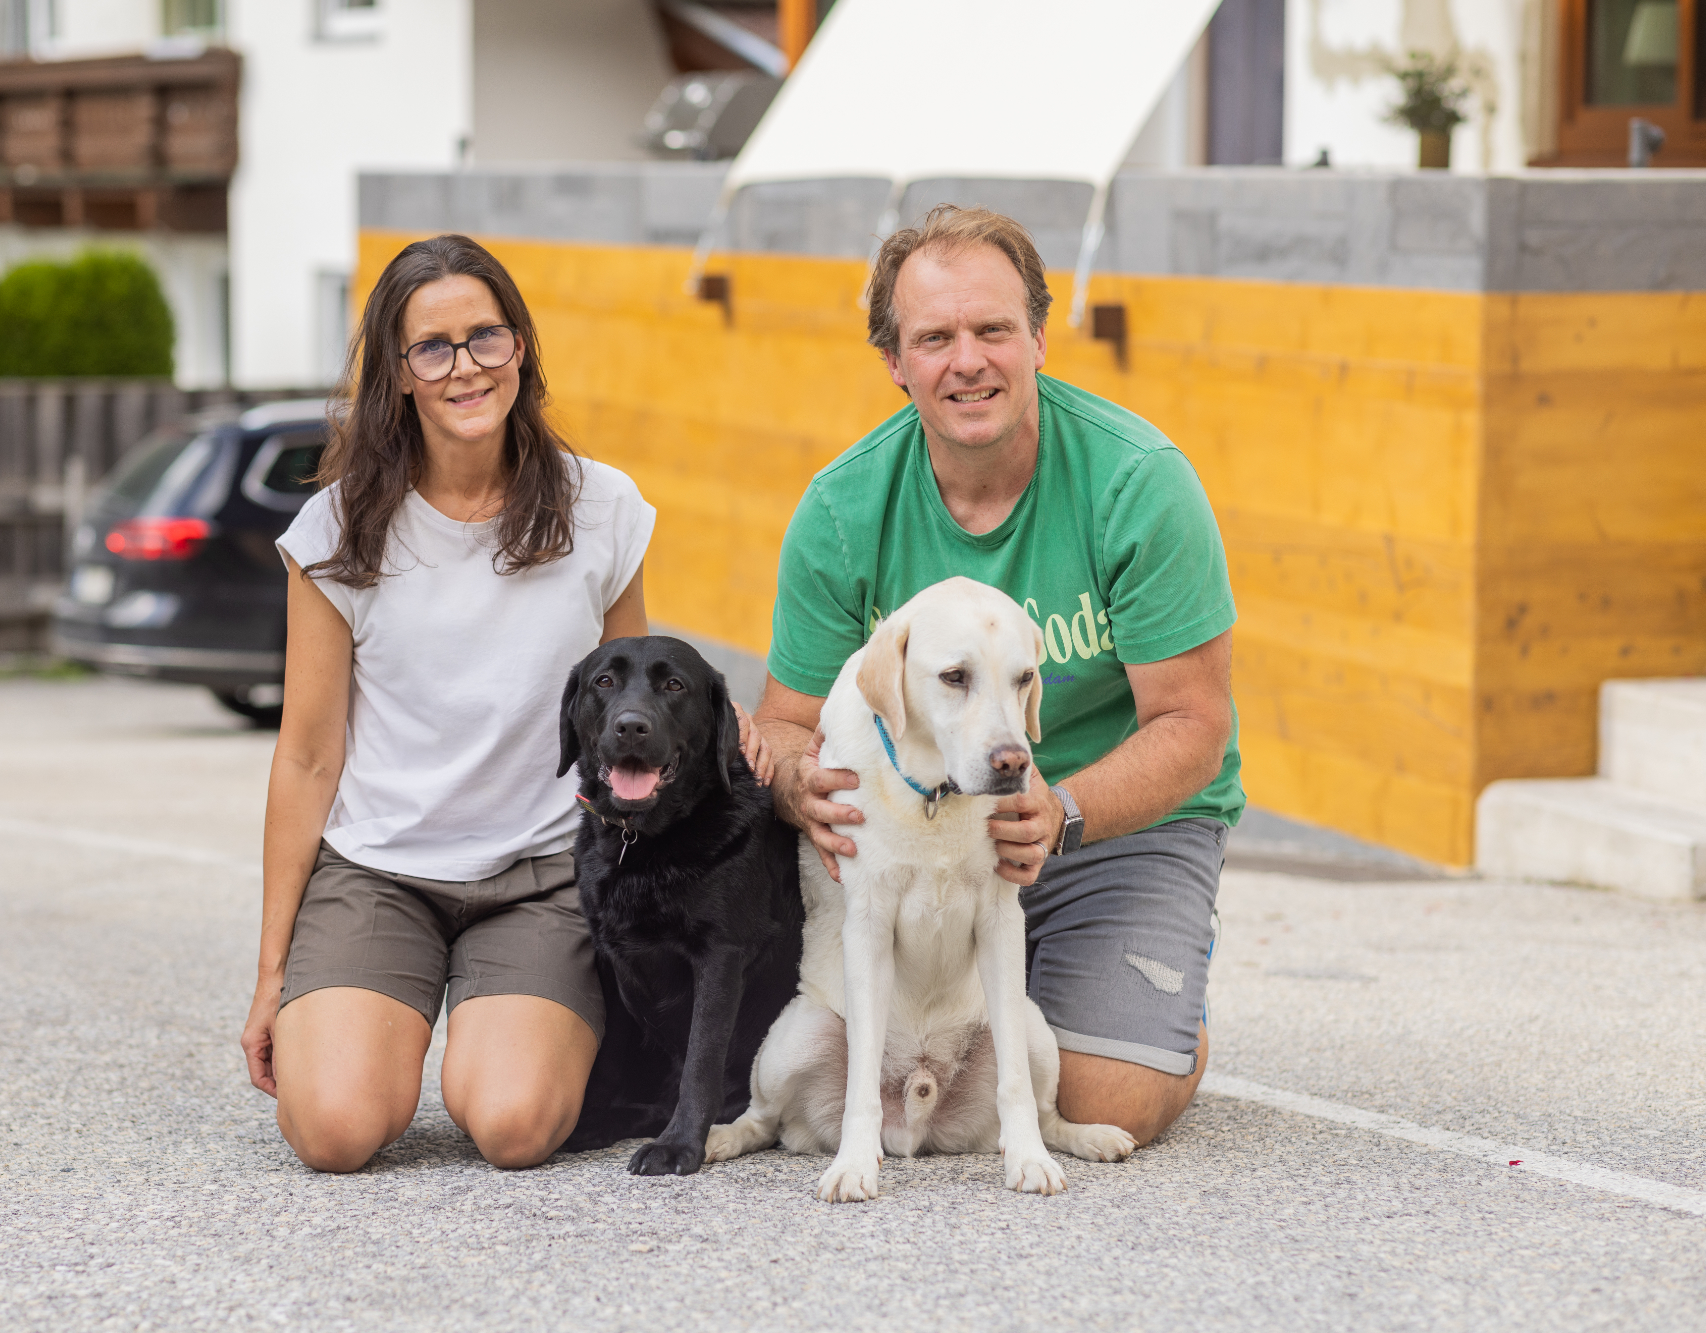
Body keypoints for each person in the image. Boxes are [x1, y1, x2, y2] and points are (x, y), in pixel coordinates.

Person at [238, 234, 766, 1173]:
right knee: (334, 1129)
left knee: (515, 1127)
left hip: (540, 872)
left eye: (486, 337)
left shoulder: (601, 507)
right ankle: (377, 1018)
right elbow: (309, 756)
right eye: (431, 347)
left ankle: (494, 1027)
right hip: (380, 871)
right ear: (397, 374)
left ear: (520, 345)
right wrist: (273, 970)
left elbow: (638, 701)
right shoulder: (335, 532)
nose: (464, 367)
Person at [755, 205, 1243, 1148]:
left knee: (1107, 1099)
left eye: (993, 329)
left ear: (1039, 340)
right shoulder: (843, 507)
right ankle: (1056, 992)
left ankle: (1162, 1016)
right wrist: (794, 785)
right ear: (896, 362)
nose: (967, 360)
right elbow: (782, 724)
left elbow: (1193, 725)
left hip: (1109, 821)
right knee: (793, 1057)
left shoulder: (1139, 483)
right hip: (917, 842)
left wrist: (1063, 811)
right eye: (934, 337)